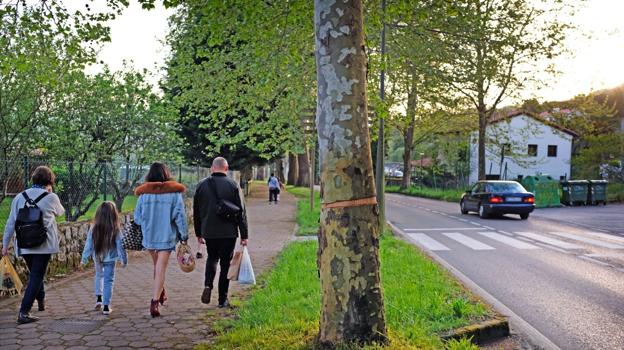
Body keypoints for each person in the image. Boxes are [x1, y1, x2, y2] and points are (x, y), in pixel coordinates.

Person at [1, 166, 65, 324]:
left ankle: (41, 301)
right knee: (37, 275)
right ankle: (24, 312)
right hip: (44, 245)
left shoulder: (18, 197)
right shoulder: (51, 197)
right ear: (49, 181)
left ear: (34, 179)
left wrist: (4, 246)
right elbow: (61, 212)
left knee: (36, 274)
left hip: (24, 244)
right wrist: (50, 194)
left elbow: (10, 224)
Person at [134, 162, 189, 317]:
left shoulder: (144, 194)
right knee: (161, 267)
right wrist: (184, 236)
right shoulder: (174, 194)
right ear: (166, 174)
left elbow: (137, 218)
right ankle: (154, 301)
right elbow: (180, 217)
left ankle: (161, 292)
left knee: (156, 266)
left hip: (149, 235)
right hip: (166, 235)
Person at [193, 157, 248, 308]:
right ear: (226, 168)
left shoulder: (202, 185)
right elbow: (241, 213)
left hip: (209, 231)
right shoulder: (233, 185)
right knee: (225, 264)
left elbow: (196, 212)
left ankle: (207, 285)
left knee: (212, 258)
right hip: (228, 232)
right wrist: (244, 235)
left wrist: (199, 233)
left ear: (212, 168)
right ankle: (222, 299)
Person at [80, 201, 127, 316]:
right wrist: (123, 260)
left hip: (98, 257)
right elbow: (120, 246)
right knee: (108, 280)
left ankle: (99, 299)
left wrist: (83, 260)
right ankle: (106, 306)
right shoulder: (115, 229)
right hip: (110, 259)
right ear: (113, 214)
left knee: (98, 275)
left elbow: (88, 245)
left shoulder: (94, 228)